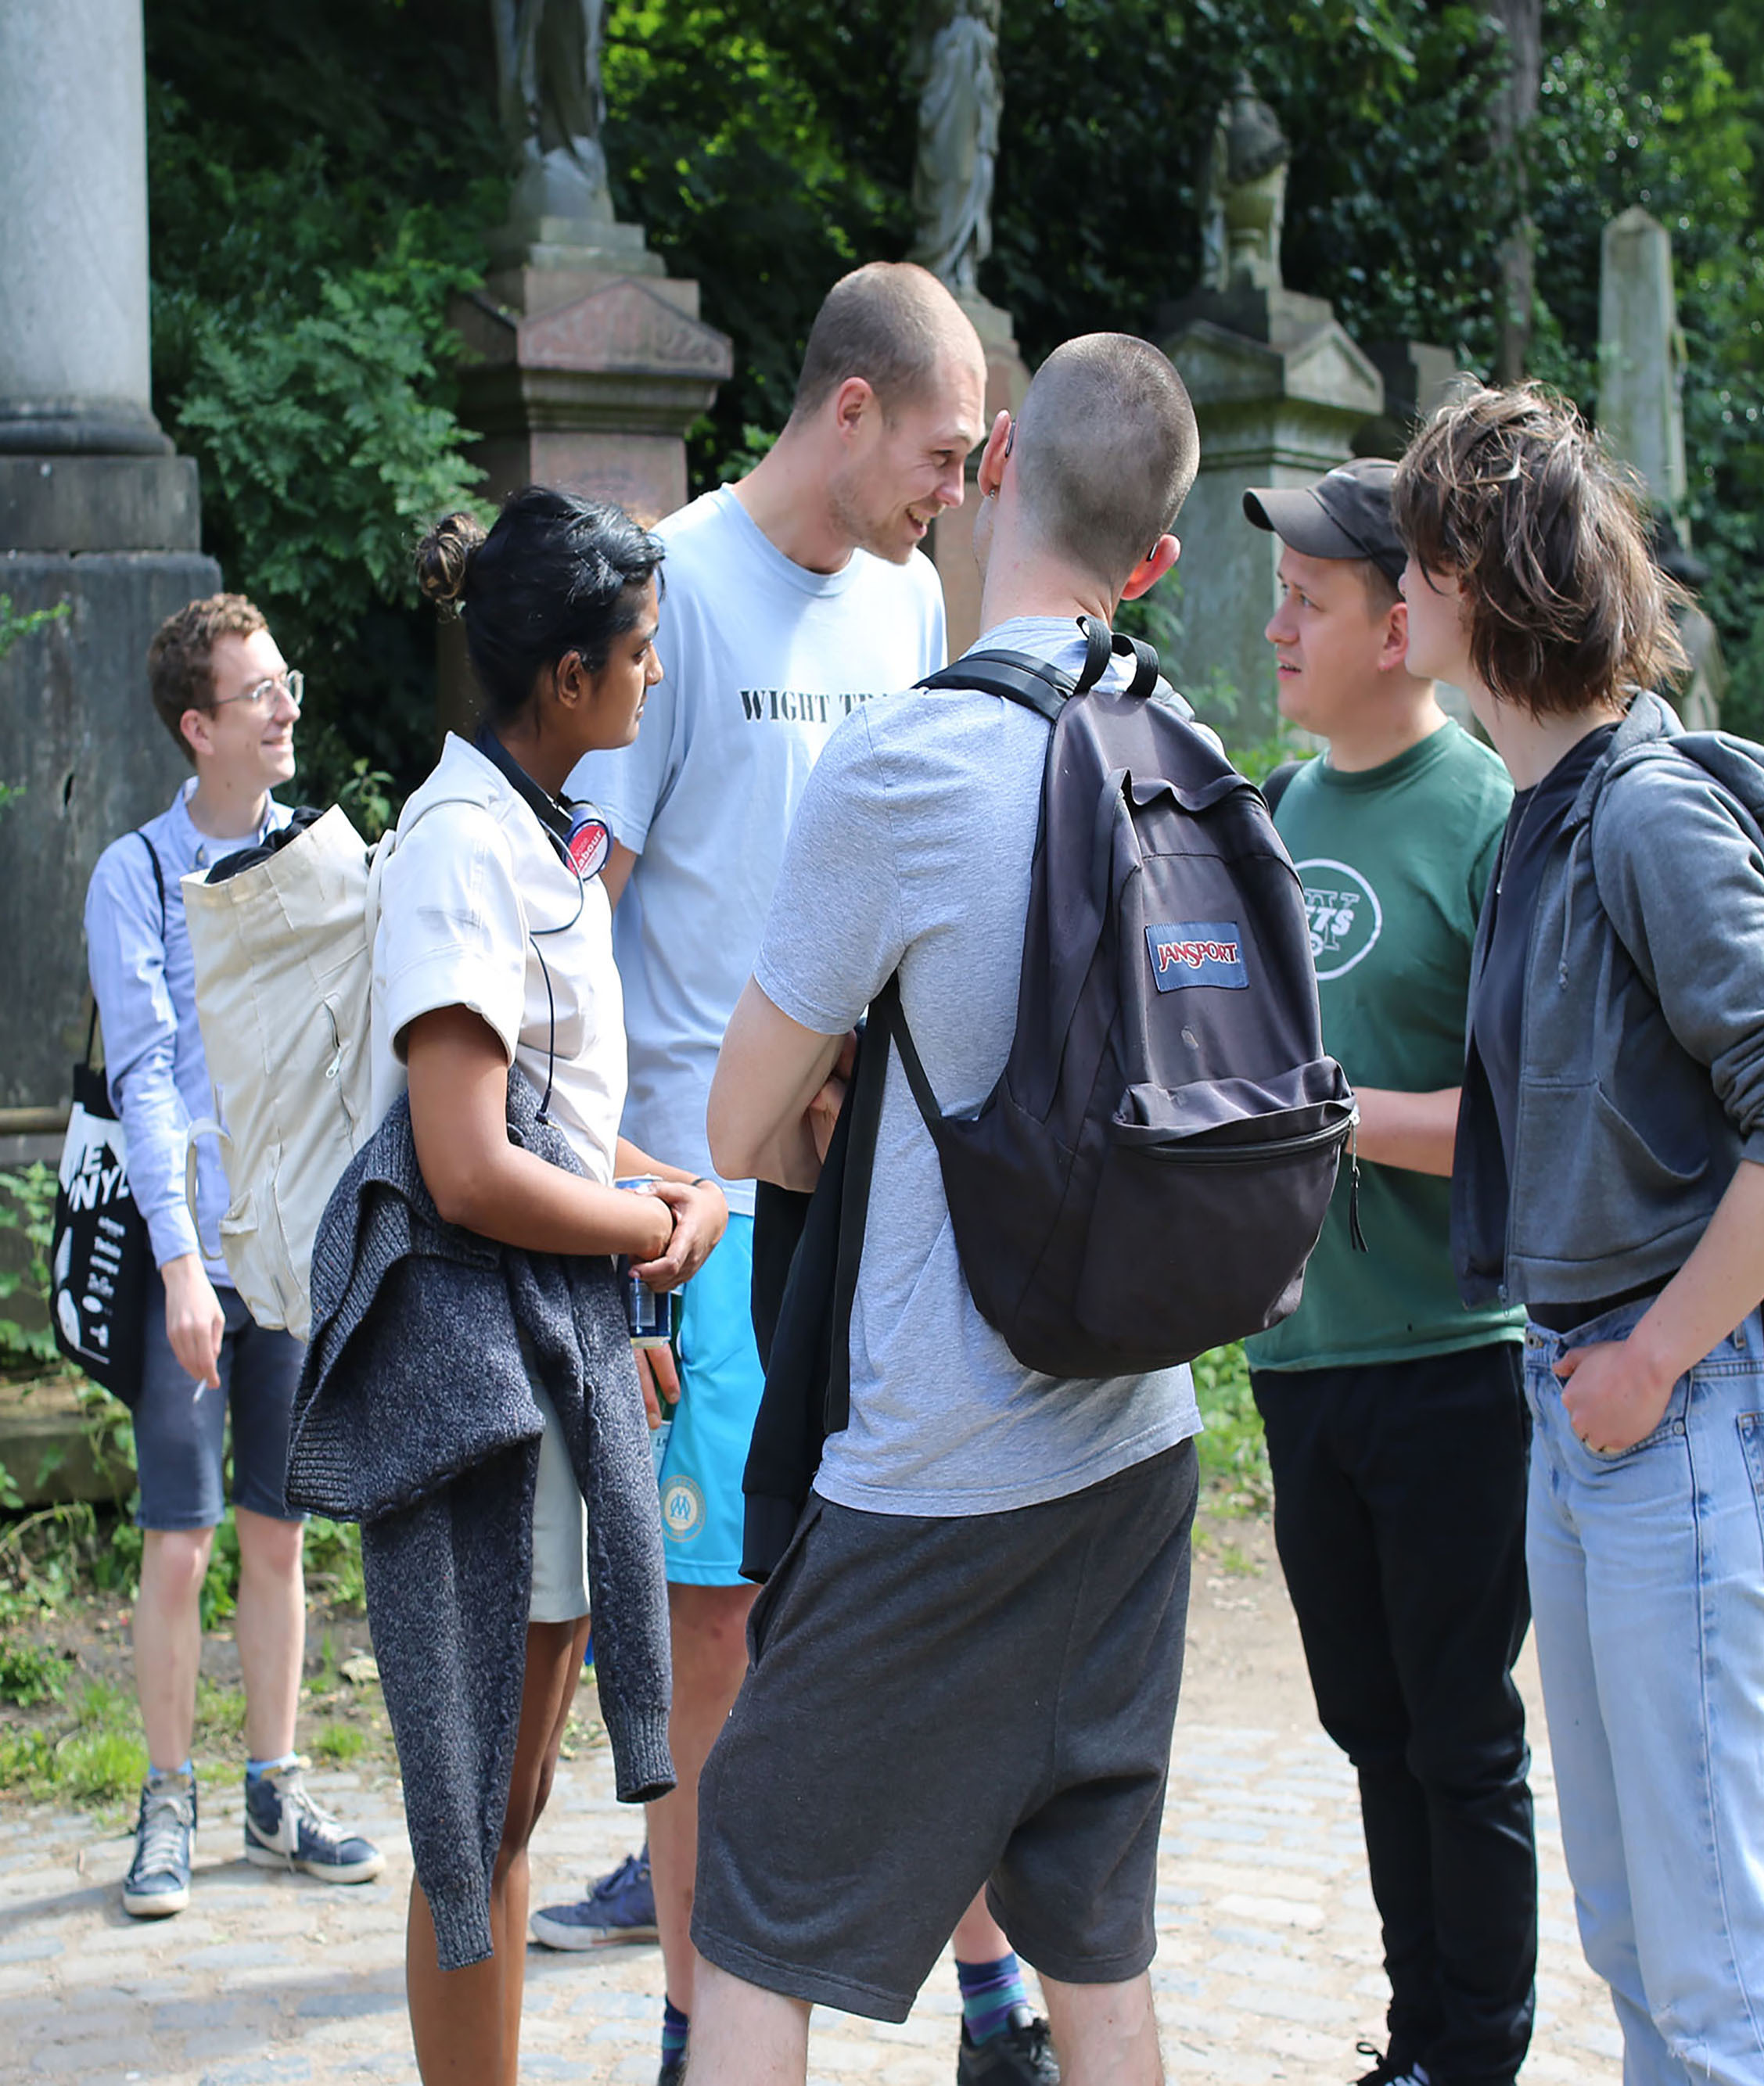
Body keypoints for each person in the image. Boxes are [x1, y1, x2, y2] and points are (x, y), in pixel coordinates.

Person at [540, 260, 1055, 2086]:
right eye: (934, 448)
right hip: (700, 1208)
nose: (953, 485)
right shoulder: (669, 590)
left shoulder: (912, 600)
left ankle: (993, 1994)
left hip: (876, 1203)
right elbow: (581, 912)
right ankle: (702, 2025)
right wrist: (610, 1194)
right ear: (846, 410)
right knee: (717, 1637)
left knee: (915, 1595)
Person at [692, 334, 1209, 2086]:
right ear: (1151, 562)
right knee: (1094, 1923)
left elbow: (736, 1111)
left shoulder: (907, 772)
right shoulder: (1182, 744)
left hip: (940, 1452)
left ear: (990, 481)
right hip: (1141, 1432)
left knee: (754, 1880)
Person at [1396, 383, 1764, 2086]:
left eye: (1410, 552)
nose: (1389, 586)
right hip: (1585, 1406)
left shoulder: (1648, 809)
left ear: (1473, 571)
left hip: (1671, 1424)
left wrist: (1657, 1352)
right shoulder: (1543, 809)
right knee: (1632, 1940)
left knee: (1711, 1961)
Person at [381, 488, 731, 2084]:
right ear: (570, 675)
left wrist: (645, 1187)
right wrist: (630, 1224)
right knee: (479, 1822)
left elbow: (547, 1122)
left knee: (503, 1805)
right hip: (489, 1381)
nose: (654, 681)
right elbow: (462, 1162)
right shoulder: (460, 848)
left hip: (549, 1364)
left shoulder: (529, 832)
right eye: (642, 655)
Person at [1238, 461, 1535, 2086]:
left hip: (1449, 1355)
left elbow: (1515, 1121)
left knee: (1457, 1734)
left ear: (1398, 625)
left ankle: (1472, 2054)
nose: (1276, 620)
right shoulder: (1269, 816)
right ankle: (1417, 2040)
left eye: (1309, 596)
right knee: (1367, 1727)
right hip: (1299, 1359)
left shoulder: (1486, 812)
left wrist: (1326, 1114)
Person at [82, 594, 385, 1919]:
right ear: (197, 726)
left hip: (298, 1247)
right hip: (191, 1255)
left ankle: (274, 1788)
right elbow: (148, 1082)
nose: (288, 707)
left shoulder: (327, 854)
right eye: (259, 692)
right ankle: (165, 1804)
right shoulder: (136, 876)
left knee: (281, 1530)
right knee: (181, 1540)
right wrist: (181, 1265)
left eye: (289, 680)